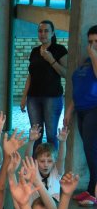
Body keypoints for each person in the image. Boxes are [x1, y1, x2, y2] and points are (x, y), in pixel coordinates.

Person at [20, 20, 68, 149]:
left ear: (52, 33)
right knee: (36, 134)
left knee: (51, 135)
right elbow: (31, 75)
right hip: (33, 98)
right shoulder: (35, 51)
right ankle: (35, 165)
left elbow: (66, 73)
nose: (43, 34)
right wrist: (24, 97)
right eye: (40, 31)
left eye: (46, 31)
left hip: (52, 98)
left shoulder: (59, 49)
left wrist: (51, 60)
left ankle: (53, 166)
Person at [64, 25, 97, 206]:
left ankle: (94, 191)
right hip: (82, 109)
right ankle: (91, 189)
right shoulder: (86, 61)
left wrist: (94, 56)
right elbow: (79, 89)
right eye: (90, 41)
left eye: (96, 42)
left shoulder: (93, 59)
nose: (92, 45)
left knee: (92, 150)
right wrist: (69, 111)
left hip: (95, 108)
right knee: (89, 150)